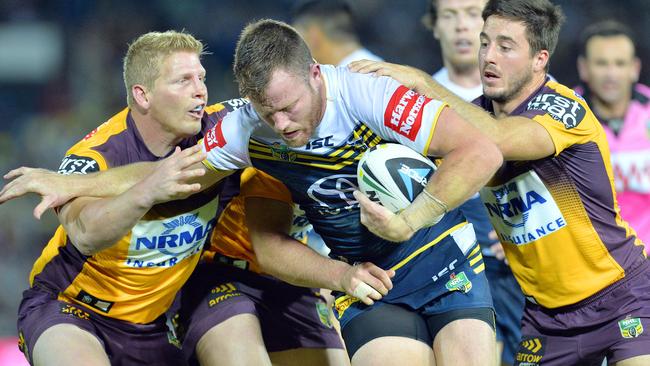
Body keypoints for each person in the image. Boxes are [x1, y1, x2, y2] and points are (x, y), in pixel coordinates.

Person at [349, 0, 650, 364]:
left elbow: (497, 139)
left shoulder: (564, 109)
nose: (489, 57)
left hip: (621, 296)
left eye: (505, 47)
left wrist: (421, 84)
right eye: (484, 43)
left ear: (540, 59)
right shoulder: (474, 116)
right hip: (545, 319)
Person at [203, 19, 503, 366]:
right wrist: (340, 276)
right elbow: (266, 246)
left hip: (445, 257)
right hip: (371, 280)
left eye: (288, 107)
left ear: (315, 74)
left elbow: (482, 152)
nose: (281, 125)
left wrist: (409, 221)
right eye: (268, 113)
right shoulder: (245, 128)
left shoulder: (368, 94)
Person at [11, 30, 226, 365]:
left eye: (201, 77)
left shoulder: (219, 129)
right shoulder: (94, 155)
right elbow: (85, 234)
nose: (200, 90)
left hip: (152, 324)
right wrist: (148, 190)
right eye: (183, 80)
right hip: (71, 307)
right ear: (143, 96)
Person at [422, 1, 524, 364]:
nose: (462, 27)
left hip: (522, 270)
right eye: (450, 16)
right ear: (433, 26)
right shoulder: (416, 103)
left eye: (472, 14)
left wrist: (529, 227)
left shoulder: (538, 94)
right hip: (447, 269)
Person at [175, 166, 348, 366]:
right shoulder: (266, 150)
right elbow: (271, 251)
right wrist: (342, 278)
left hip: (289, 278)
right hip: (222, 270)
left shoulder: (345, 163)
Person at [575, 20, 650, 252]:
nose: (611, 74)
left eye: (619, 63)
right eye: (601, 63)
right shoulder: (562, 118)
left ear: (634, 68)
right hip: (594, 258)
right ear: (584, 68)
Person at [291, 0, 382, 67]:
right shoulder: (374, 67)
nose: (292, 45)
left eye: (296, 36)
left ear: (313, 36)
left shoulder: (359, 76)